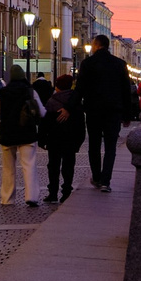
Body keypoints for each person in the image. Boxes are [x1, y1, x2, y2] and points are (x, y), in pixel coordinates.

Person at [75, 34, 136, 194]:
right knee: (110, 147)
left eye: (92, 44)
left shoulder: (88, 63)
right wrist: (127, 115)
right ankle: (105, 182)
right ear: (107, 46)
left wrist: (70, 107)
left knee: (94, 145)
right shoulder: (119, 64)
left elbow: (80, 89)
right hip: (113, 111)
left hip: (93, 111)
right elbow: (126, 91)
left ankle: (96, 177)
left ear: (96, 45)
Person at [0, 75, 41, 208]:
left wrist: (0, 129)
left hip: (8, 134)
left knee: (8, 168)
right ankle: (31, 196)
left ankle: (7, 198)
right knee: (29, 165)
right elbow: (41, 112)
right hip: (27, 134)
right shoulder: (30, 91)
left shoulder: (2, 93)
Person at [41, 73, 83, 202]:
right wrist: (78, 142)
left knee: (53, 166)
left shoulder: (51, 102)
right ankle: (66, 192)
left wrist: (42, 139)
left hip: (54, 140)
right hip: (70, 140)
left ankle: (53, 193)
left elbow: (45, 124)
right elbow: (81, 125)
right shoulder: (75, 103)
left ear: (58, 86)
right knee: (68, 166)